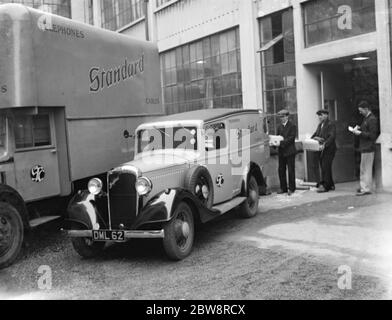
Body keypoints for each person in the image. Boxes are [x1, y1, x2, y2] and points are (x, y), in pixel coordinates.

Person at [352, 101, 379, 196]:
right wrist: (359, 129)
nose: (360, 112)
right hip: (365, 147)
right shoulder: (367, 118)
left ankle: (366, 188)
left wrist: (360, 133)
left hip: (368, 147)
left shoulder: (371, 119)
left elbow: (372, 135)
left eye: (361, 110)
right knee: (363, 168)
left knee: (366, 169)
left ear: (366, 109)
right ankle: (364, 187)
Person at [311, 109, 337, 193]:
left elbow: (332, 136)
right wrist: (312, 138)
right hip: (322, 149)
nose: (319, 117)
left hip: (329, 149)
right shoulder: (320, 125)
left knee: (325, 166)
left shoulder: (331, 124)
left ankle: (326, 186)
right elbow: (315, 134)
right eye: (318, 115)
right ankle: (331, 184)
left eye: (321, 115)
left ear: (326, 115)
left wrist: (325, 144)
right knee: (325, 166)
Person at [276, 109, 297, 196]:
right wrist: (274, 143)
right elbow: (277, 137)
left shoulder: (292, 126)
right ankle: (283, 187)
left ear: (287, 116)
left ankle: (291, 188)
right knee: (281, 170)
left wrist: (281, 142)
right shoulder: (279, 127)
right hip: (281, 152)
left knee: (291, 170)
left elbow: (291, 138)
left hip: (290, 151)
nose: (281, 118)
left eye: (283, 117)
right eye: (280, 117)